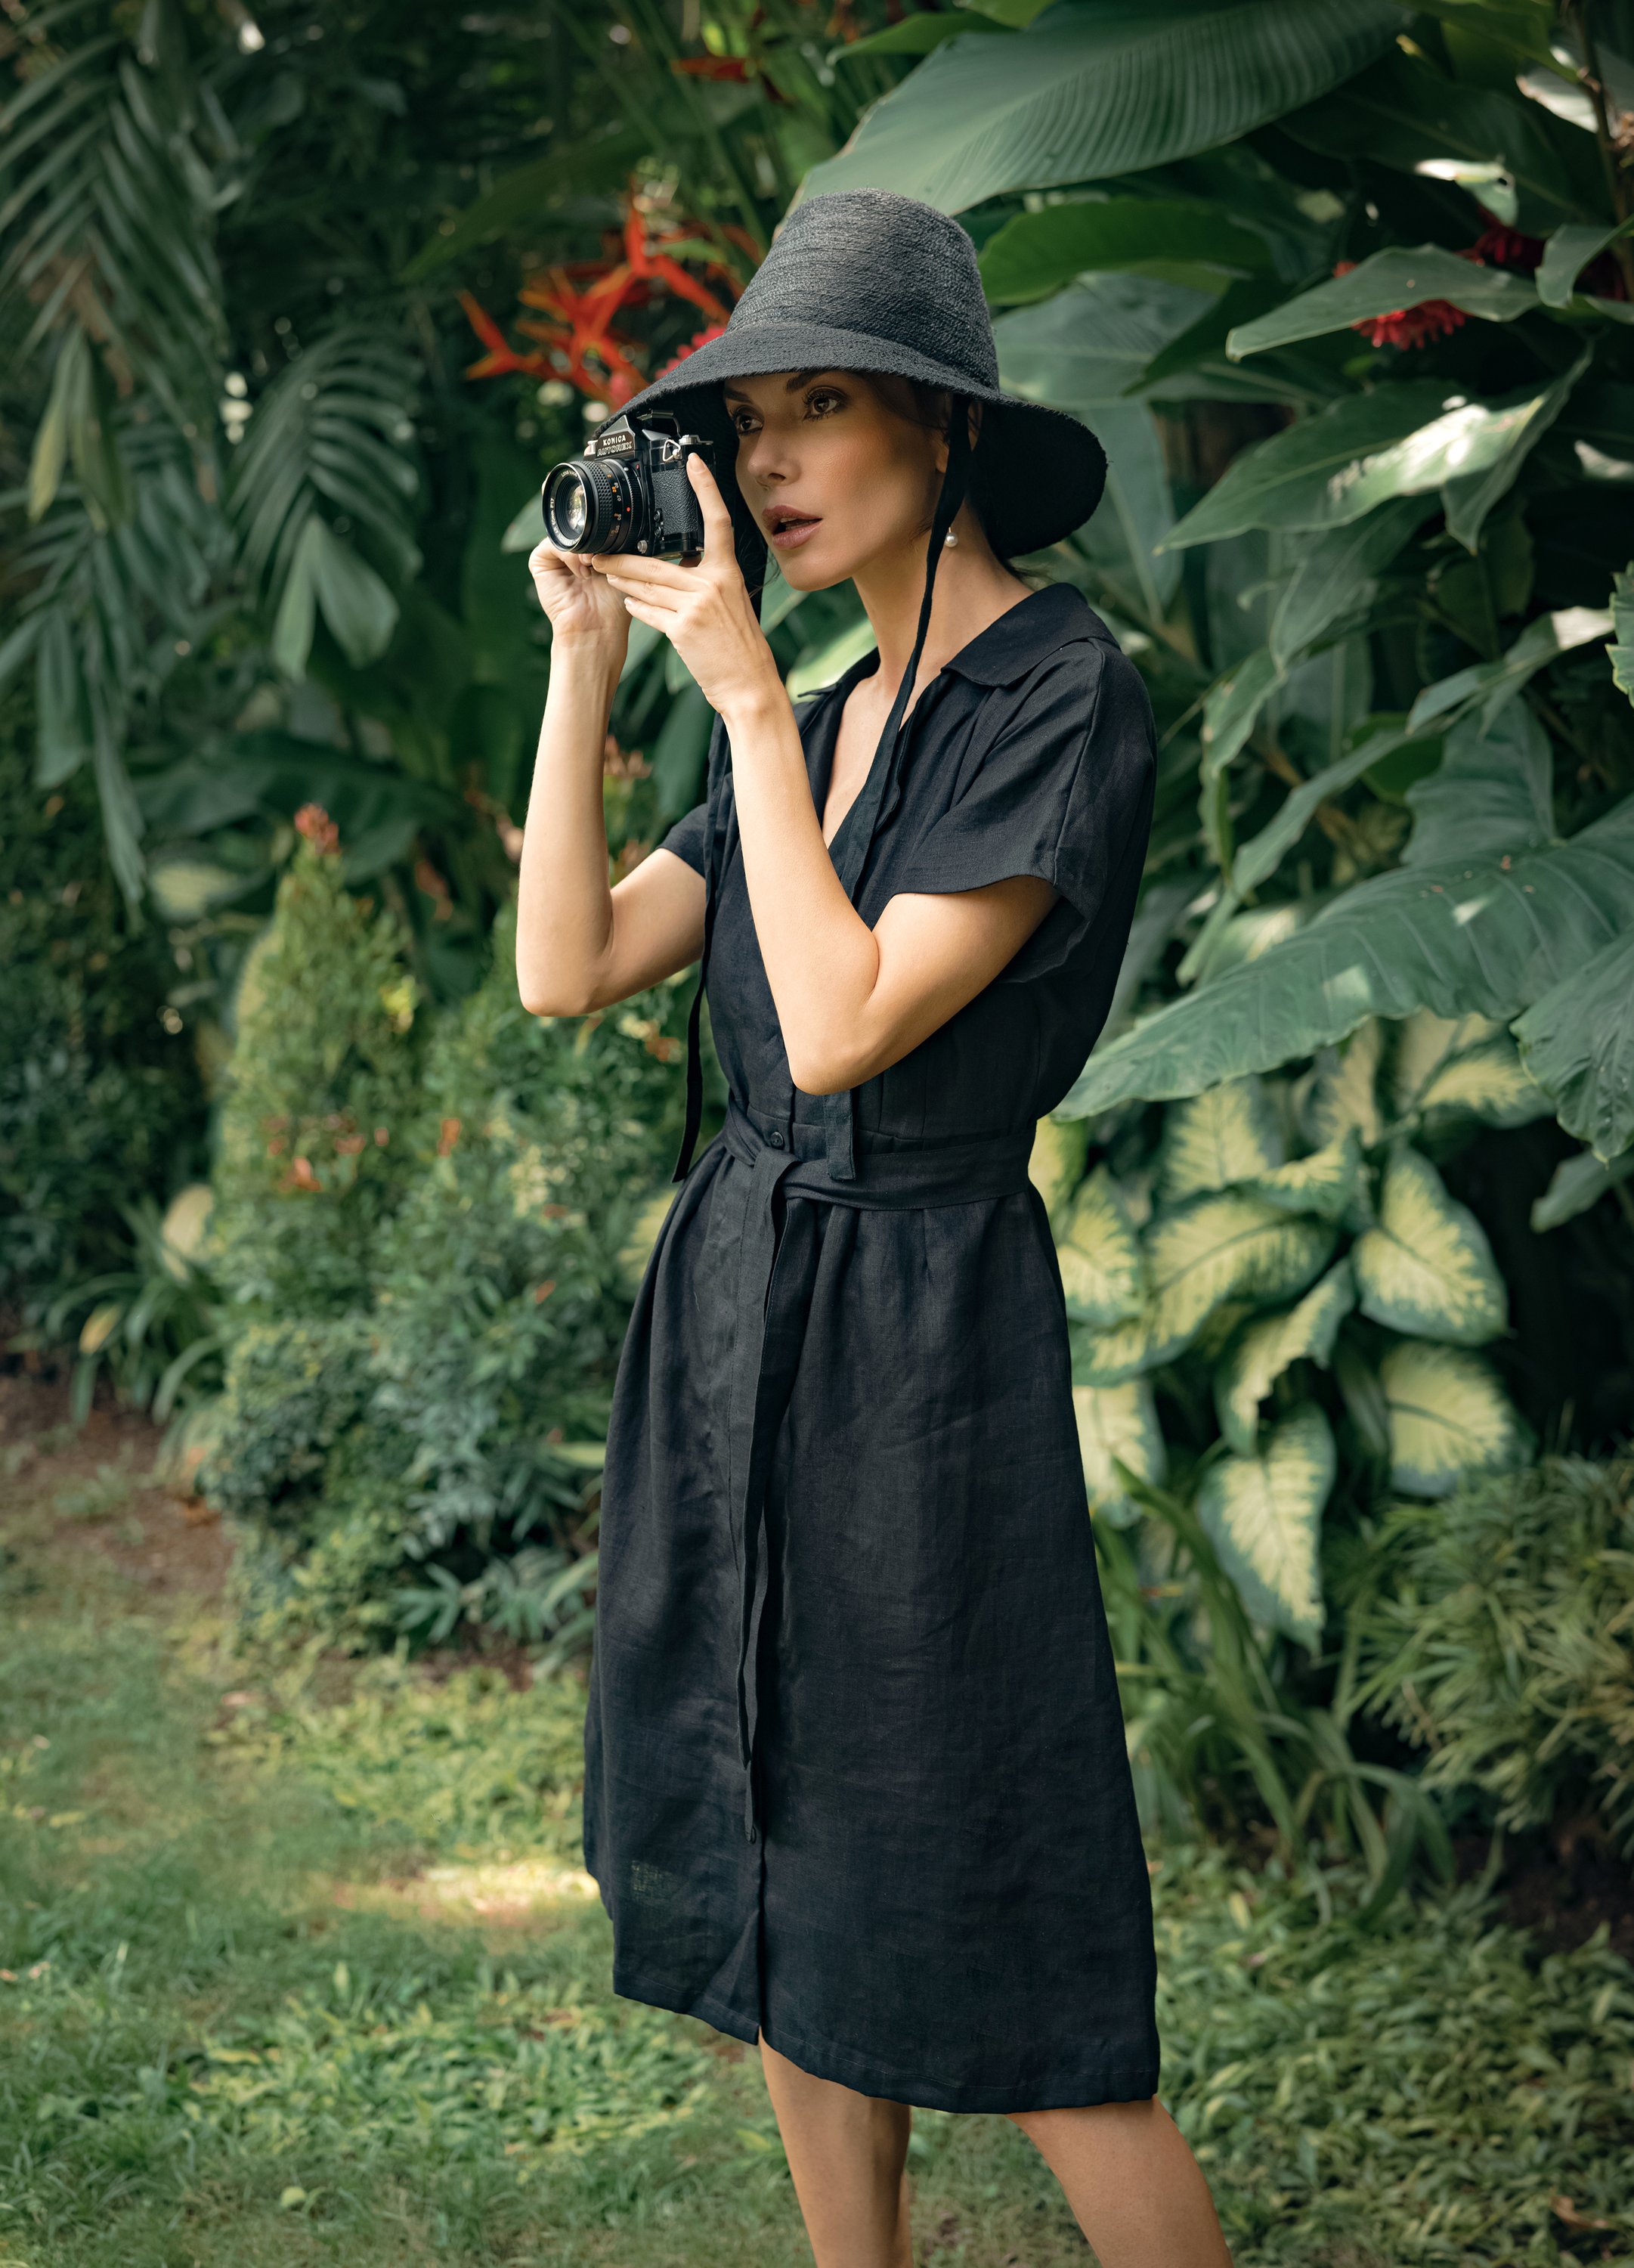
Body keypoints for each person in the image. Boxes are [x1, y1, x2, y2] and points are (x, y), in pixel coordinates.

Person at [516, 189, 1233, 2268]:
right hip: (742, 1303)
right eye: (749, 428)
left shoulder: (1053, 693)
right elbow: (567, 965)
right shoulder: (818, 712)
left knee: (997, 1900)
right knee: (774, 1853)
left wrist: (741, 705)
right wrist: (588, 666)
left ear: (939, 433)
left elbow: (833, 1030)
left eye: (820, 413)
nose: (769, 468)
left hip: (922, 1342)